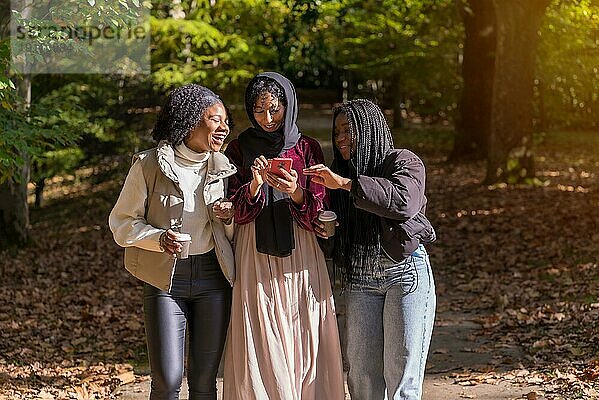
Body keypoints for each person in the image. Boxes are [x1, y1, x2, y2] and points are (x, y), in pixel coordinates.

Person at [109, 84, 237, 400]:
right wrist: (159, 239)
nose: (224, 128)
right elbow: (121, 224)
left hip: (213, 278)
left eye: (226, 121)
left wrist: (229, 218)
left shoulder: (224, 168)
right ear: (191, 121)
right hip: (164, 281)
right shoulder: (148, 165)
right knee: (167, 380)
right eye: (215, 120)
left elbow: (235, 234)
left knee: (205, 382)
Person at [222, 72, 345, 400]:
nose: (267, 119)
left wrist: (295, 193)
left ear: (288, 106)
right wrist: (255, 185)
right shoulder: (238, 149)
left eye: (274, 109)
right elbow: (235, 209)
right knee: (262, 339)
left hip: (301, 254)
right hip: (255, 254)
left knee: (303, 332)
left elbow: (320, 209)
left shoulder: (307, 148)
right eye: (259, 110)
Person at [304, 99, 437, 400]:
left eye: (347, 129)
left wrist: (347, 185)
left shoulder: (404, 162)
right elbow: (337, 244)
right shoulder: (338, 175)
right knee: (362, 377)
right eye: (336, 132)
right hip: (361, 280)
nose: (339, 138)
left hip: (404, 274)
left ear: (369, 128)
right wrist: (328, 233)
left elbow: (404, 202)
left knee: (400, 376)